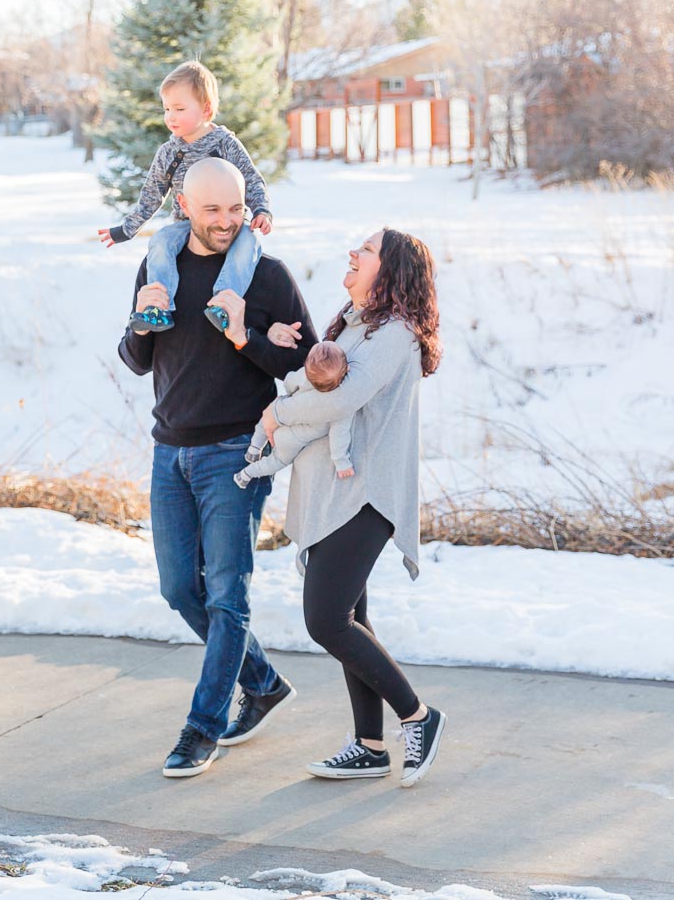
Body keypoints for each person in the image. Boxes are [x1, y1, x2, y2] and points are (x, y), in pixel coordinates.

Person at [118, 157, 316, 778]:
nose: (228, 221)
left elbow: (309, 364)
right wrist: (142, 320)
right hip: (170, 449)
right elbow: (135, 359)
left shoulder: (267, 275)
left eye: (236, 208)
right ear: (183, 207)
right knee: (181, 588)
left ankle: (201, 728)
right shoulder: (160, 266)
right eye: (213, 210)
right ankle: (263, 683)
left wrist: (245, 335)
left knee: (228, 594)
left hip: (237, 452)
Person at [257, 227, 446, 787]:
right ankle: (369, 746)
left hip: (364, 495)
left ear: (391, 270)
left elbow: (339, 397)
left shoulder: (396, 333)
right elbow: (319, 377)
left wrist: (277, 416)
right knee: (352, 621)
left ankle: (418, 716)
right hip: (334, 494)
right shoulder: (356, 324)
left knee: (326, 621)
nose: (353, 253)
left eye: (366, 250)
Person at [97, 61, 273, 335]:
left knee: (249, 243)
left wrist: (261, 209)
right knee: (160, 241)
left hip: (230, 223)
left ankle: (224, 304)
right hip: (187, 226)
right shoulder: (168, 153)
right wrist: (127, 229)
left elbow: (251, 178)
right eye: (167, 109)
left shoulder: (225, 144)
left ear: (206, 110)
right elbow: (152, 194)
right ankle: (158, 308)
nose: (171, 117)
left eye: (179, 109)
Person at [233, 341, 353, 489]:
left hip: (281, 419)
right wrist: (341, 463)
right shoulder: (340, 408)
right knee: (275, 461)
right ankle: (246, 474)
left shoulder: (304, 375)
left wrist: (290, 394)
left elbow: (289, 382)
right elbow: (339, 436)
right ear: (347, 369)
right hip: (291, 440)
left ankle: (254, 448)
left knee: (266, 419)